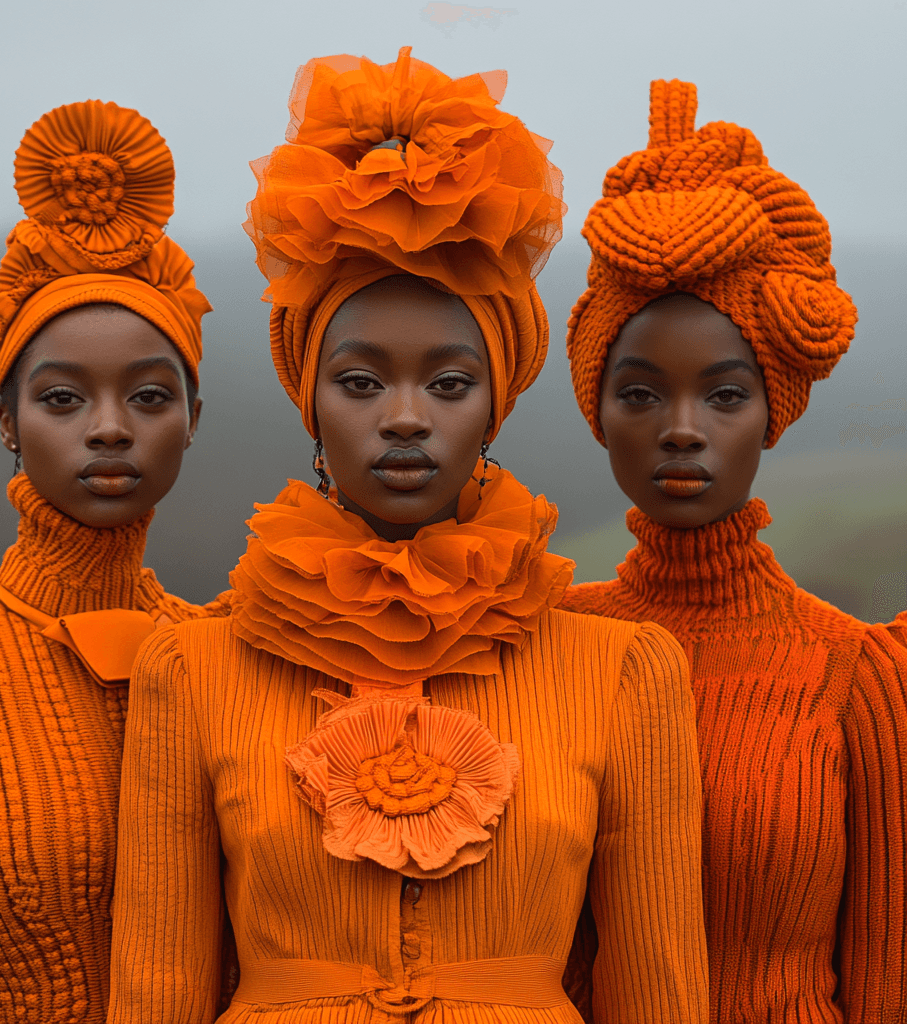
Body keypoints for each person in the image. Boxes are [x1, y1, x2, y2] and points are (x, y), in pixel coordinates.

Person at [107, 47, 708, 1023]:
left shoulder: (625, 672)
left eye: (448, 382)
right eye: (357, 381)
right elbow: (154, 989)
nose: (402, 416)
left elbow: (661, 992)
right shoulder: (191, 668)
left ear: (497, 403)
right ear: (306, 397)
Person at [560, 79, 907, 1022]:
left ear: (774, 412)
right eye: (639, 393)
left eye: (724, 395)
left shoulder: (851, 671)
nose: (681, 430)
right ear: (597, 410)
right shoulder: (541, 645)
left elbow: (884, 980)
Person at [0, 99, 228, 1023]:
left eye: (150, 395)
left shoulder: (236, 658)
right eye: (64, 398)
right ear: (7, 422)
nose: (109, 428)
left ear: (194, 418)